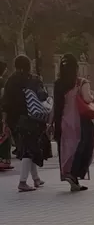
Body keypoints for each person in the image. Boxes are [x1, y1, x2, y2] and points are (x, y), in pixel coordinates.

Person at [3, 55, 52, 192]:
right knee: (28, 150)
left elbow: (5, 104)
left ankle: (36, 178)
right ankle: (23, 182)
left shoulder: (10, 81)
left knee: (28, 147)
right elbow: (42, 97)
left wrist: (5, 121)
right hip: (31, 119)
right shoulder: (33, 80)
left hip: (15, 120)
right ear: (28, 65)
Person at [54, 54, 94, 193]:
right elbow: (87, 99)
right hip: (80, 121)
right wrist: (92, 95)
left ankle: (71, 177)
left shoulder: (58, 84)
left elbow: (56, 106)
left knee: (67, 149)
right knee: (82, 146)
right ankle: (74, 174)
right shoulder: (81, 82)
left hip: (64, 121)